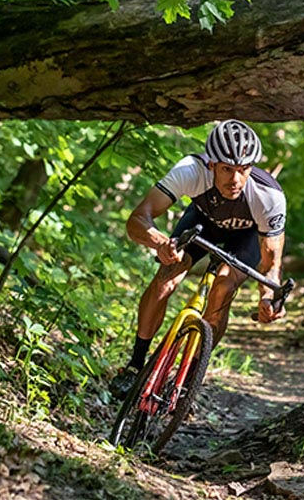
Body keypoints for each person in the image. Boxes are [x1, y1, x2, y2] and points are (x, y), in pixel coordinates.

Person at [110, 119, 288, 399]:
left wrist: (269, 298)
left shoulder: (270, 197)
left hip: (244, 238)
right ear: (211, 165)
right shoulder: (189, 171)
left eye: (243, 170)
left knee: (223, 288)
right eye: (227, 170)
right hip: (201, 224)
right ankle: (135, 364)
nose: (235, 180)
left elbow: (271, 264)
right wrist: (159, 243)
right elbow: (137, 219)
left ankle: (188, 379)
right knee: (166, 281)